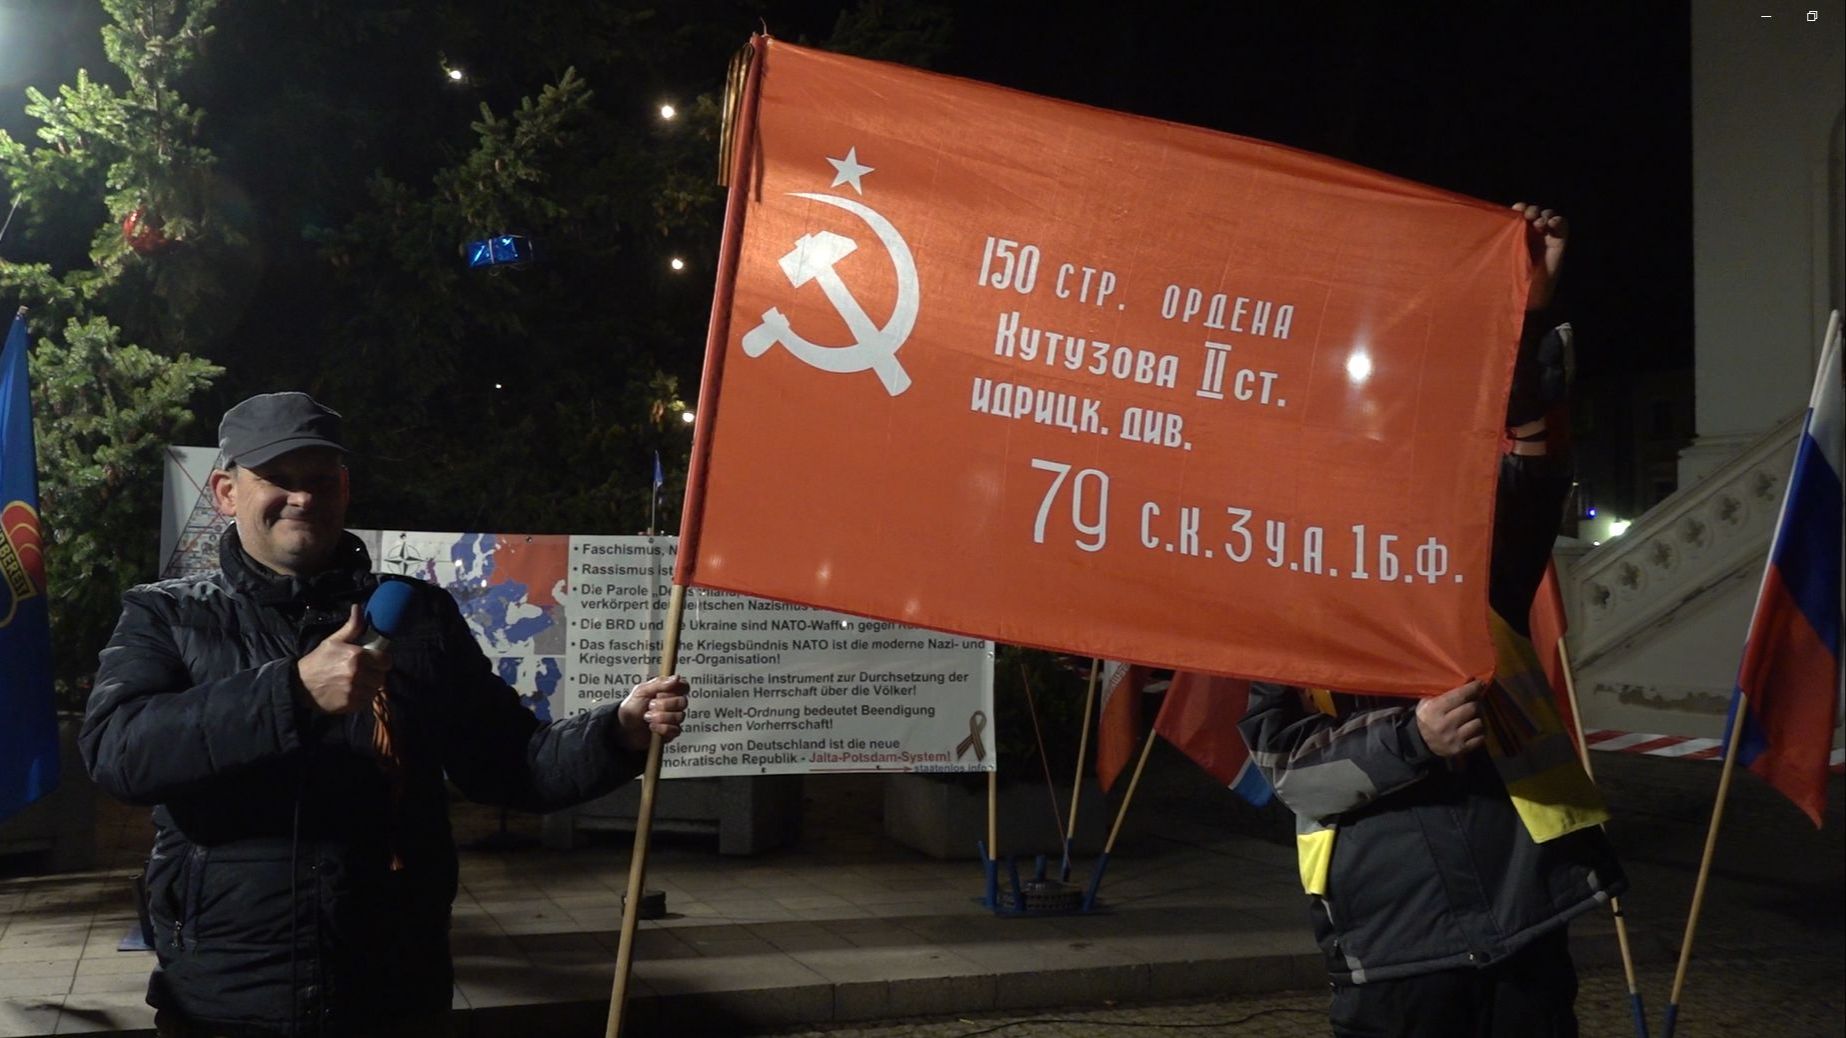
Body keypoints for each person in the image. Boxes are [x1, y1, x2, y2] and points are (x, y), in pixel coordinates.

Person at [80, 391, 689, 1038]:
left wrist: (615, 732)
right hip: (226, 999)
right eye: (277, 478)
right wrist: (290, 692)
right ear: (227, 493)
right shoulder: (165, 615)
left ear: (344, 489)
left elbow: (512, 763)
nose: (302, 497)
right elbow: (120, 752)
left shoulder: (418, 615)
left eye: (320, 479)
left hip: (395, 990)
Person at [1239, 205, 1625, 1037]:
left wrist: (1525, 311)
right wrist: (1413, 737)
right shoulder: (1289, 594)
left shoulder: (1464, 549)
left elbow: (1536, 463)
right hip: (1396, 947)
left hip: (1524, 923)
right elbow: (1287, 769)